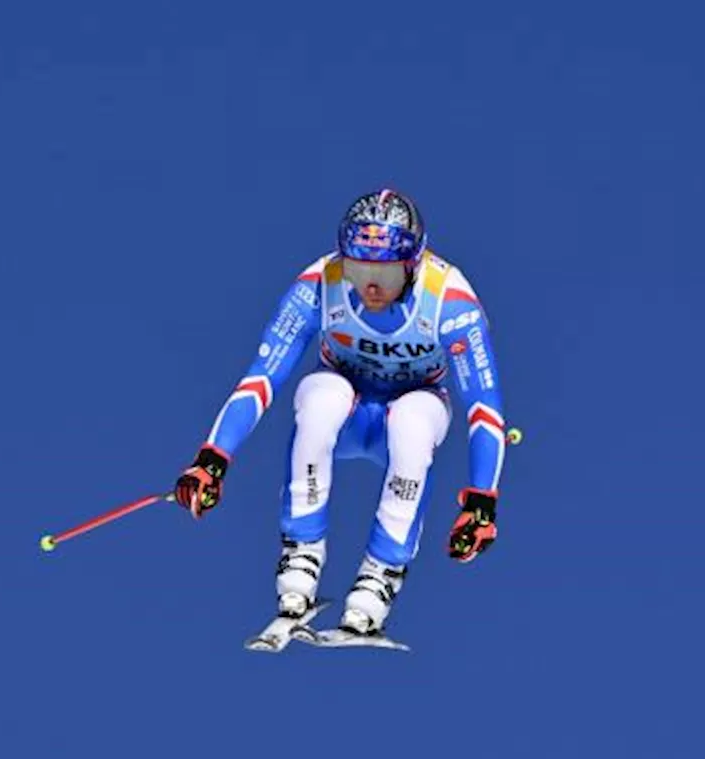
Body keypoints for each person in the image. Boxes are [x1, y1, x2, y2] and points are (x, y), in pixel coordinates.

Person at [174, 189, 510, 638]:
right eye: (358, 268)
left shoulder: (449, 302)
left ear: (412, 265)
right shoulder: (320, 284)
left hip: (414, 407)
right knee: (321, 396)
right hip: (346, 412)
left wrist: (482, 501)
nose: (370, 286)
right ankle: (302, 554)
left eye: (385, 273)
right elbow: (261, 377)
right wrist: (213, 458)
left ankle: (380, 575)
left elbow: (484, 408)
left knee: (412, 420)